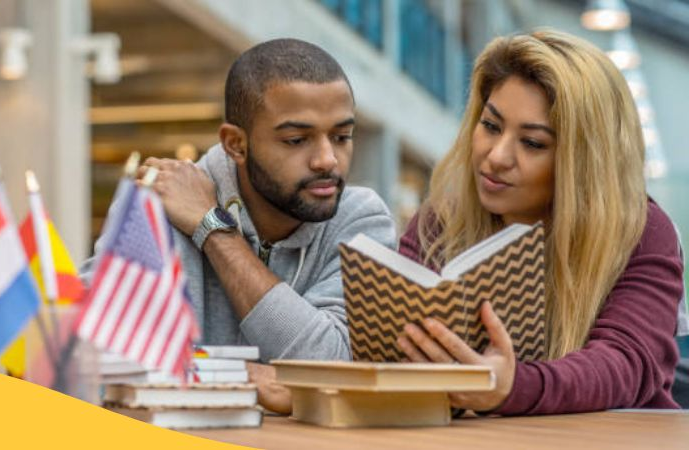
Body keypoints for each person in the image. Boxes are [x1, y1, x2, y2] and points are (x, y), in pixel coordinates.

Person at [83, 39, 395, 400]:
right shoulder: (162, 203)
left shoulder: (362, 220)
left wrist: (212, 230)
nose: (328, 159)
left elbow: (335, 368)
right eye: (296, 140)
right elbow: (91, 352)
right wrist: (249, 377)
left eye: (342, 136)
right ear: (235, 144)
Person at [397, 29, 686, 415]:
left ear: (584, 164)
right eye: (491, 125)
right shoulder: (442, 222)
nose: (497, 156)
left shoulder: (641, 230)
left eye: (532, 143)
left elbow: (624, 363)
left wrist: (511, 387)